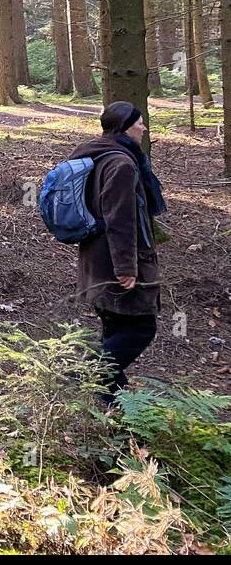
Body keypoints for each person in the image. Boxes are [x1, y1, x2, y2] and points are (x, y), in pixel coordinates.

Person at [66, 101, 166, 400]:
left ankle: (111, 404)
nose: (144, 128)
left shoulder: (100, 154)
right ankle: (82, 378)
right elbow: (120, 218)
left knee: (115, 328)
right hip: (113, 261)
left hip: (95, 257)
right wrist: (126, 268)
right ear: (124, 127)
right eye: (139, 123)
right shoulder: (121, 164)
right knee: (140, 328)